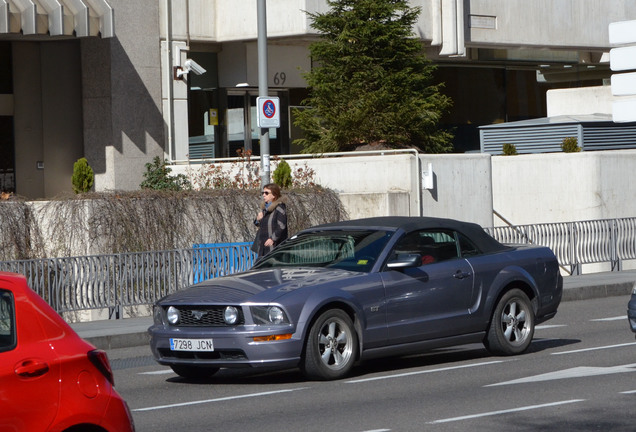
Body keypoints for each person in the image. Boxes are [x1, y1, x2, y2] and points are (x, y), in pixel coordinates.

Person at [251, 183, 288, 257]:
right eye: (263, 193)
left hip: (275, 248)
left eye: (266, 193)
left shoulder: (279, 208)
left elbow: (281, 226)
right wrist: (257, 220)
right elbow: (262, 226)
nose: (264, 195)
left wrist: (272, 239)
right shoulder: (265, 209)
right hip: (263, 247)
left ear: (274, 195)